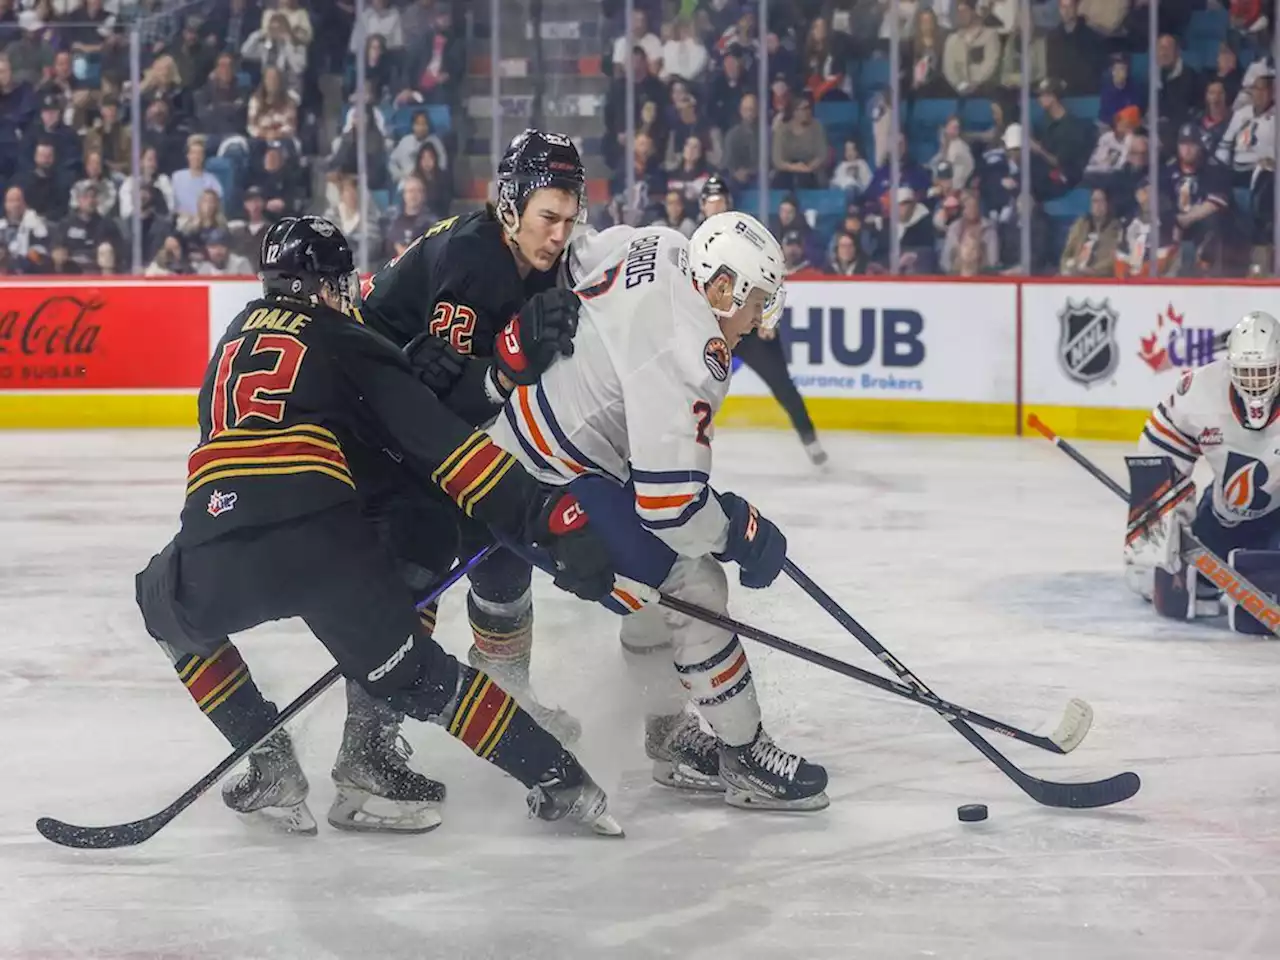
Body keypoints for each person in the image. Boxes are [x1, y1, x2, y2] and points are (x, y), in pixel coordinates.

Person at [134, 215, 622, 837]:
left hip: (212, 540)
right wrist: (547, 519)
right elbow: (446, 449)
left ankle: (268, 757)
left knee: (161, 605)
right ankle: (559, 782)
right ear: (327, 286)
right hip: (320, 548)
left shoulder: (231, 340)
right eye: (343, 284)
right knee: (417, 671)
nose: (350, 294)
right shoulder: (343, 335)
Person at [483, 212, 829, 811]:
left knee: (653, 587)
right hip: (545, 483)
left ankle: (668, 734)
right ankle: (745, 757)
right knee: (694, 584)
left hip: (513, 445)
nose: (760, 322)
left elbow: (569, 259)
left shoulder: (659, 243)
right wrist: (739, 533)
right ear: (724, 287)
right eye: (758, 304)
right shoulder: (695, 351)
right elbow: (672, 507)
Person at [360, 129, 588, 752]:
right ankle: (371, 738)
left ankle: (507, 689)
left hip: (414, 408)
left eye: (570, 219)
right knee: (424, 548)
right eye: (548, 218)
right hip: (369, 421)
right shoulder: (476, 261)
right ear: (510, 207)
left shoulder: (533, 257)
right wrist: (503, 368)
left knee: (502, 545)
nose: (560, 235)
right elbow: (432, 406)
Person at [1125, 312, 1280, 634]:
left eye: (1264, 372)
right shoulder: (1200, 392)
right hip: (1227, 516)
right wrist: (1162, 526)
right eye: (1245, 373)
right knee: (1167, 587)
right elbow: (1160, 451)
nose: (1255, 383)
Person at [698, 176, 827, 467]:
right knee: (691, 382)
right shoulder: (696, 240)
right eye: (711, 202)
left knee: (783, 385)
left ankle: (810, 440)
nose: (716, 208)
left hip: (751, 326)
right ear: (702, 206)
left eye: (721, 202)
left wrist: (769, 319)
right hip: (712, 326)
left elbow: (771, 278)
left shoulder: (746, 235)